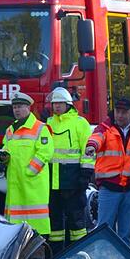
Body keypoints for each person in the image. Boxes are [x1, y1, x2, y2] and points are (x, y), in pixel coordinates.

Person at [0, 93, 53, 238]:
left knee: (37, 226)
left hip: (33, 184)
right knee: (16, 227)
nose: (16, 110)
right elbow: (6, 149)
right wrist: (4, 158)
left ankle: (39, 248)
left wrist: (30, 171)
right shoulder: (10, 129)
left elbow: (46, 152)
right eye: (14, 107)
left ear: (28, 107)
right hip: (15, 183)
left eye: (20, 107)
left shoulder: (40, 127)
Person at [45, 86, 93, 250]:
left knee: (76, 219)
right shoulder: (48, 123)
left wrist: (85, 174)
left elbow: (88, 150)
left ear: (68, 104)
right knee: (54, 220)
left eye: (60, 103)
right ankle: (56, 253)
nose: (57, 106)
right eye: (54, 103)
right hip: (52, 179)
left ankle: (79, 252)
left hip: (74, 178)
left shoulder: (80, 123)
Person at [86, 97, 130, 239]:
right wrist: (92, 146)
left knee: (125, 234)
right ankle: (104, 254)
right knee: (104, 231)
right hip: (109, 186)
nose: (120, 115)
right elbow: (97, 137)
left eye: (124, 112)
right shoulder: (105, 128)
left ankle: (123, 254)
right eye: (118, 111)